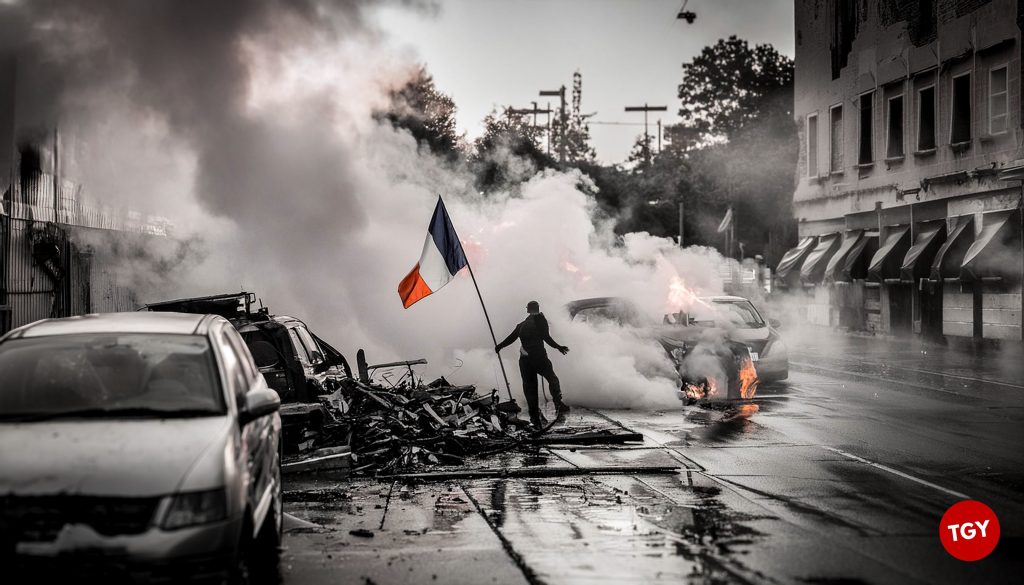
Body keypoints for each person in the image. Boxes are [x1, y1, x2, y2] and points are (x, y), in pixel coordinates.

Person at [495, 300, 570, 429]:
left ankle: (534, 414)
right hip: (539, 358)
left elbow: (511, 338)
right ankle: (557, 402)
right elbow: (546, 337)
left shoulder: (521, 325)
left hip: (525, 360)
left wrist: (500, 346)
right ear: (537, 308)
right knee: (552, 379)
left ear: (528, 310)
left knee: (530, 387)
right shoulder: (540, 320)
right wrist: (558, 347)